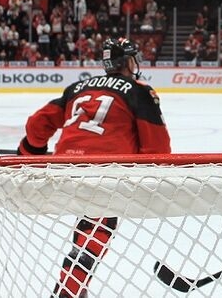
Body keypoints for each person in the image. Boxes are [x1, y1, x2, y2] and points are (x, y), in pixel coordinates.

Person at [17, 37, 171, 298]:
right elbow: (156, 146)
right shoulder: (138, 90)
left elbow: (36, 124)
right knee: (97, 228)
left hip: (62, 169)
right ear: (126, 62)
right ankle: (69, 290)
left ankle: (74, 286)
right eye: (133, 59)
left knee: (90, 222)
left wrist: (29, 152)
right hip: (104, 172)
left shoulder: (77, 87)